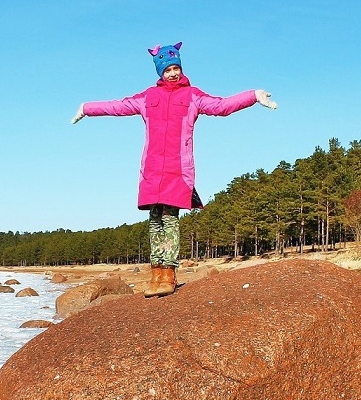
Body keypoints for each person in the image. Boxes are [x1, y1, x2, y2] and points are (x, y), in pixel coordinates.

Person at [71, 42, 277, 297]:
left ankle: (169, 273)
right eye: (167, 69)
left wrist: (253, 96)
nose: (173, 73)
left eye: (176, 67)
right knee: (154, 222)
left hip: (178, 169)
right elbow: (117, 107)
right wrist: (86, 108)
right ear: (160, 71)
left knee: (170, 220)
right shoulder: (148, 97)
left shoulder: (192, 96)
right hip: (151, 170)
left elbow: (221, 106)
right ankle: (155, 272)